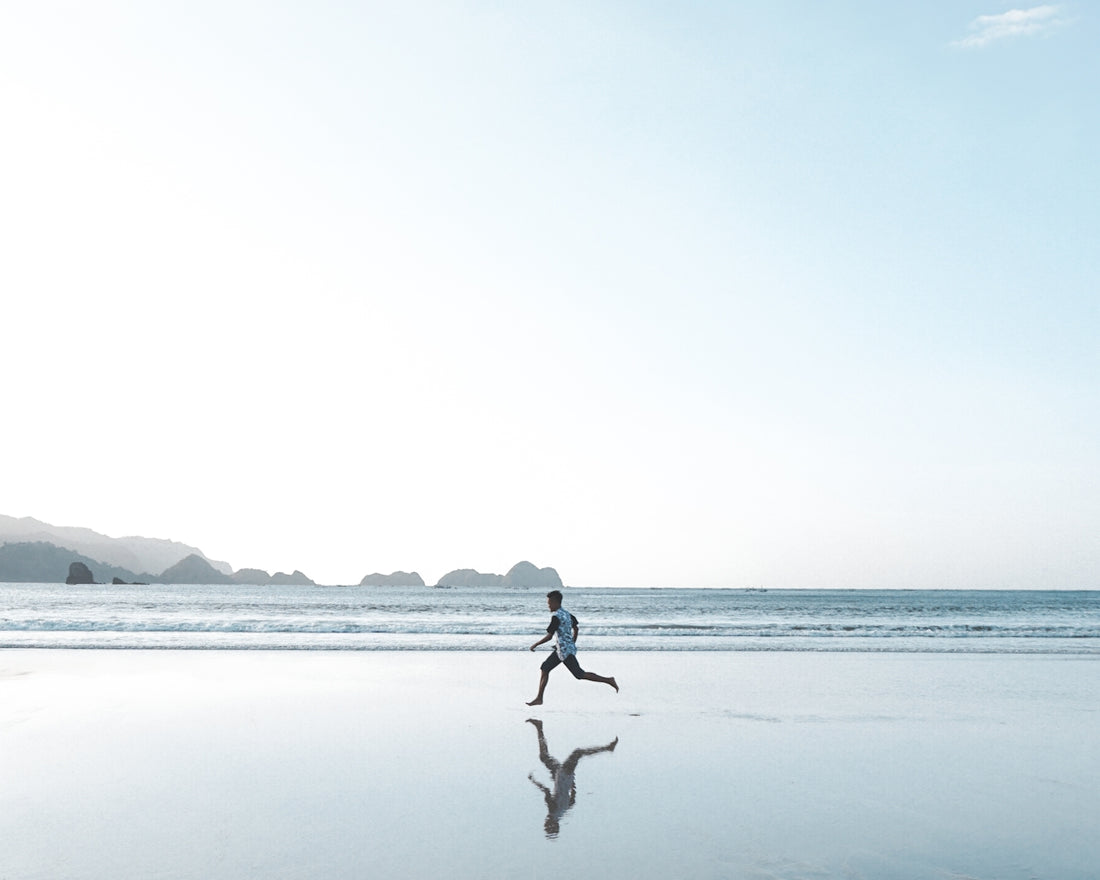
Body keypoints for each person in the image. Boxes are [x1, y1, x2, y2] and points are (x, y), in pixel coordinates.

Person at [526, 718, 618, 837]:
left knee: (544, 757)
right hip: (563, 773)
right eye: (547, 825)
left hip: (563, 775)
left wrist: (571, 783)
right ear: (551, 823)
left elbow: (572, 800)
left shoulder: (562, 812)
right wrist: (534, 781)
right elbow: (546, 791)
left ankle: (539, 727)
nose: (545, 822)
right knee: (578, 753)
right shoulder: (553, 811)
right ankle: (607, 748)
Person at [526, 590, 618, 706]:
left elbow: (549, 637)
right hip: (562, 650)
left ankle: (608, 680)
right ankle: (539, 698)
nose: (548, 605)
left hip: (564, 652)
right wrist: (572, 642)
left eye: (549, 603)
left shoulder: (556, 617)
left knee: (579, 674)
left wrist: (535, 645)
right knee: (545, 668)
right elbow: (576, 629)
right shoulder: (568, 614)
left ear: (556, 603)